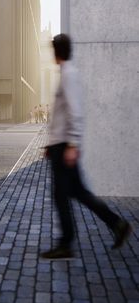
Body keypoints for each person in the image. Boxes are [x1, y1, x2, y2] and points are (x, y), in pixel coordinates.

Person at [41, 33, 132, 259]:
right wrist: (50, 145)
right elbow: (63, 115)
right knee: (78, 192)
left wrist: (72, 143)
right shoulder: (66, 73)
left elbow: (76, 113)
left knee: (62, 195)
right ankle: (117, 224)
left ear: (56, 51)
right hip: (60, 145)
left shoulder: (69, 74)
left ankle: (66, 243)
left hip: (64, 147)